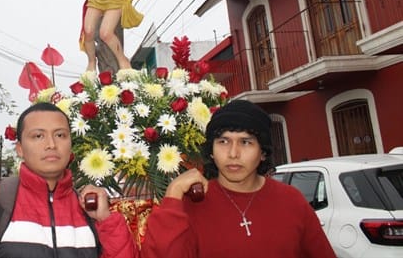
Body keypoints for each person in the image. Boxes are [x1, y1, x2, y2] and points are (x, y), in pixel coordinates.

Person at [140, 99, 336, 258]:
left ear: (263, 153)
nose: (233, 153)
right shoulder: (192, 205)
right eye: (223, 141)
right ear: (211, 152)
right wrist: (173, 194)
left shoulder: (292, 200)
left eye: (246, 142)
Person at [0, 102, 139, 257]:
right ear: (20, 148)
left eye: (60, 135)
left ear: (70, 144)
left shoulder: (88, 210)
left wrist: (106, 221)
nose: (51, 144)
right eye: (38, 136)